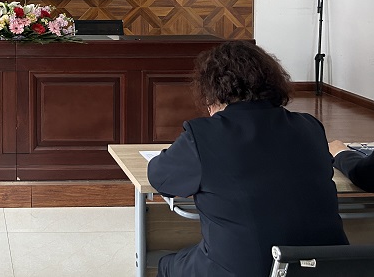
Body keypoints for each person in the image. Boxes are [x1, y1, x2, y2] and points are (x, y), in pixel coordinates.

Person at [147, 40, 348, 277]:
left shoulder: (202, 134)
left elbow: (160, 178)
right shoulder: (309, 127)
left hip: (243, 269)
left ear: (212, 90)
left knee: (168, 264)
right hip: (327, 267)